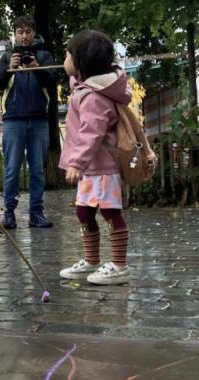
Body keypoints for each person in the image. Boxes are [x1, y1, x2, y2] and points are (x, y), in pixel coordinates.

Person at [58, 30, 132, 285]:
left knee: (111, 213)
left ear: (80, 62)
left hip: (102, 168)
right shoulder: (85, 90)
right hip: (92, 170)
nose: (63, 58)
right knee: (84, 213)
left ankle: (120, 265)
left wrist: (77, 162)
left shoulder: (93, 97)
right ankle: (91, 260)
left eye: (67, 54)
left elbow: (93, 132)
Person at [0, 15, 57, 229]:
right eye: (20, 32)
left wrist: (36, 67)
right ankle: (9, 213)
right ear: (15, 34)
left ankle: (36, 213)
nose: (24, 36)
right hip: (13, 120)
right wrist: (9, 67)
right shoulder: (7, 56)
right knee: (11, 169)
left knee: (37, 169)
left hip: (38, 120)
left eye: (28, 32)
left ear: (34, 33)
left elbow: (52, 83)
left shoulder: (45, 55)